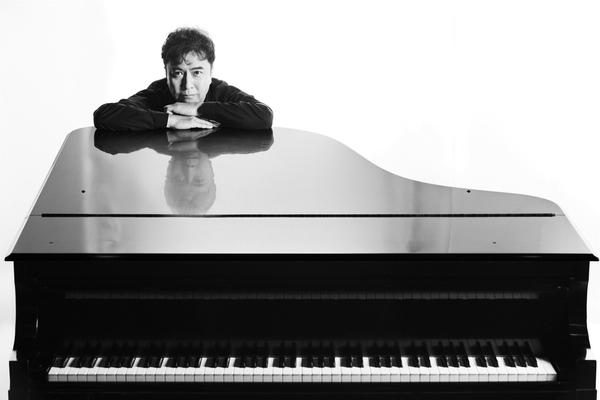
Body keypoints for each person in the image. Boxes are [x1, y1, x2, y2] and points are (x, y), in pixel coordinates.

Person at [94, 27, 273, 131]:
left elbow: (264, 116)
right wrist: (171, 120)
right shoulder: (158, 93)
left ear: (210, 73)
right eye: (178, 73)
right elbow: (104, 115)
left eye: (197, 73)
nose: (187, 86)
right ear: (166, 73)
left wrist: (198, 108)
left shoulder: (221, 92)